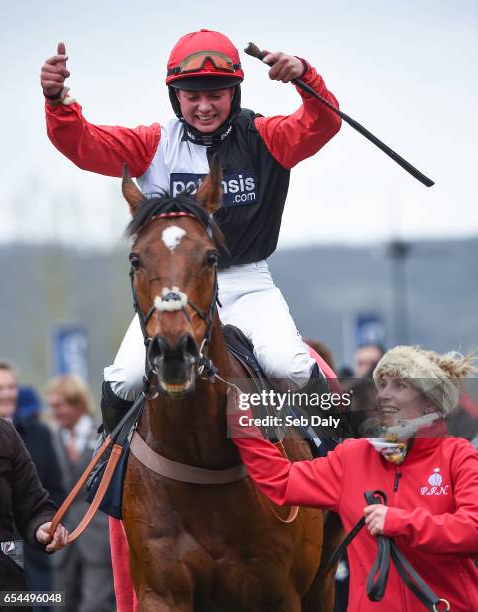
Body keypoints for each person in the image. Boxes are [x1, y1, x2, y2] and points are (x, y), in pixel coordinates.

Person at [40, 29, 342, 432]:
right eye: (191, 95)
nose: (203, 106)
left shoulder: (267, 137)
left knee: (289, 365)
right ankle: (106, 474)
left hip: (247, 283)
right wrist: (57, 101)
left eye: (215, 93)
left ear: (234, 93)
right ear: (175, 96)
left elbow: (323, 122)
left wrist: (304, 76)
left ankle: (345, 457)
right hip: (171, 287)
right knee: (126, 379)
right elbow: (82, 144)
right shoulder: (152, 144)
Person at [230, 346, 478, 611]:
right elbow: (282, 480)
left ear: (429, 401)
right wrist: (242, 424)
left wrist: (398, 521)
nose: (384, 395)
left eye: (400, 386)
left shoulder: (458, 455)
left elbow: (472, 530)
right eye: (382, 385)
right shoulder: (354, 456)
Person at [0, 362, 66, 611]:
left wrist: (45, 525)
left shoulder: (9, 435)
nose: (7, 393)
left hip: (10, 577)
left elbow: (36, 502)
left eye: (10, 386)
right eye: (0, 388)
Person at [46, 375, 115, 612]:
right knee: (61, 604)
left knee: (95, 605)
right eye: (52, 406)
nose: (55, 412)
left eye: (60, 405)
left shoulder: (105, 435)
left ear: (78, 404)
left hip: (97, 537)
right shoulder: (50, 439)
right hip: (62, 540)